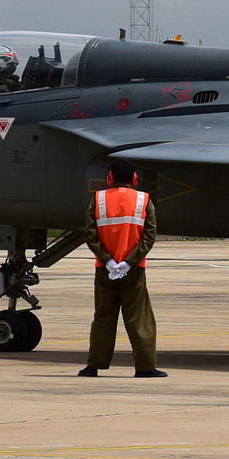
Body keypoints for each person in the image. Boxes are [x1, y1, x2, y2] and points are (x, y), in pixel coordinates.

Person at [78, 159, 163, 377]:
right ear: (135, 178)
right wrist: (128, 262)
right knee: (138, 318)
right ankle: (145, 367)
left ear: (109, 178)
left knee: (103, 317)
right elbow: (149, 236)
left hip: (105, 270)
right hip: (134, 271)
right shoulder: (144, 200)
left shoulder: (98, 199)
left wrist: (108, 261)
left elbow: (90, 234)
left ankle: (94, 366)